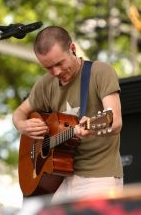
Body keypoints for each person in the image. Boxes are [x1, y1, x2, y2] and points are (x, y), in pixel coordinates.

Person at [12, 26, 123, 203]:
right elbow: (19, 113)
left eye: (59, 63)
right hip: (59, 178)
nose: (55, 72)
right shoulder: (45, 84)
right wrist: (21, 125)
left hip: (98, 175)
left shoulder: (100, 72)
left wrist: (93, 129)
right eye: (48, 67)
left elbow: (115, 121)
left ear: (72, 49)